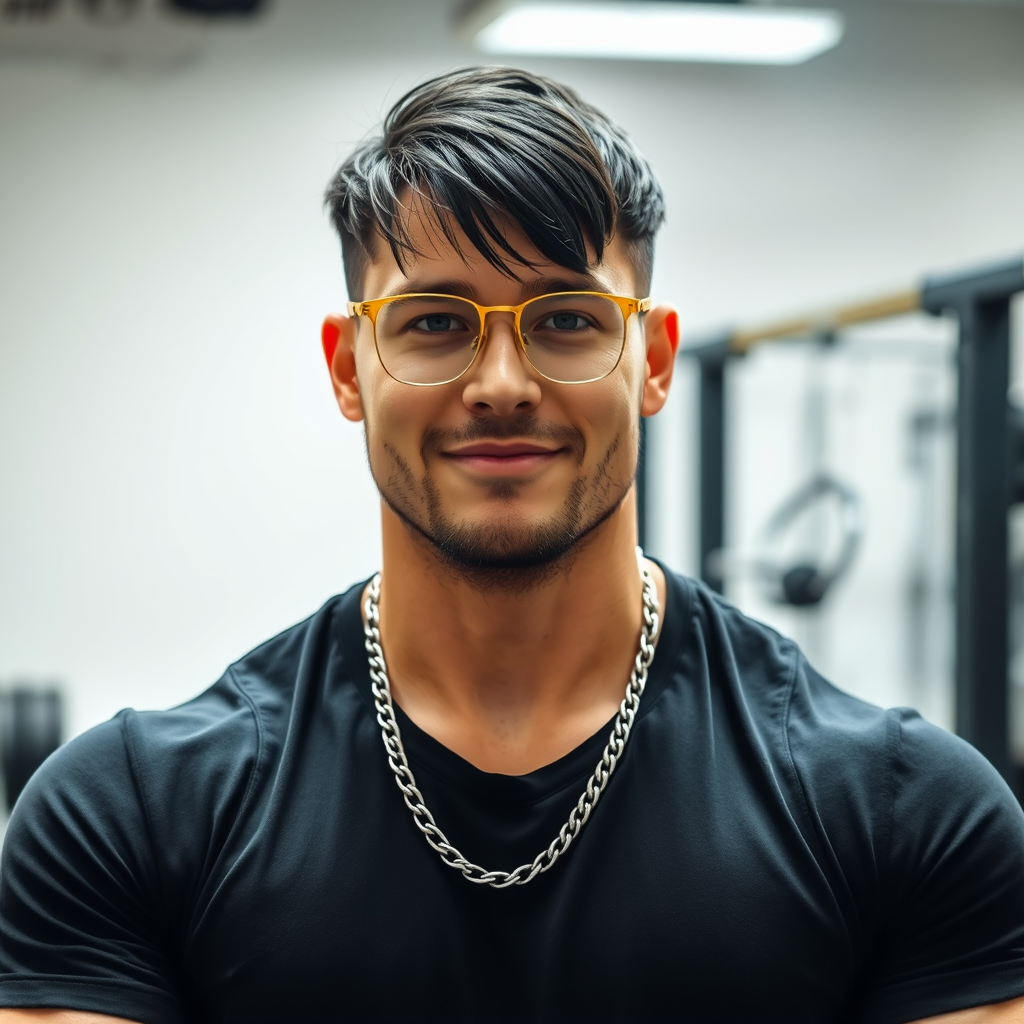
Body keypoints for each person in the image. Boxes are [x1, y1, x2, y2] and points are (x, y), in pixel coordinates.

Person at [0, 66, 1022, 1024]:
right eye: (435, 322)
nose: (500, 382)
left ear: (653, 361)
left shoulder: (908, 815)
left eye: (567, 318)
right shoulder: (128, 815)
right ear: (349, 366)